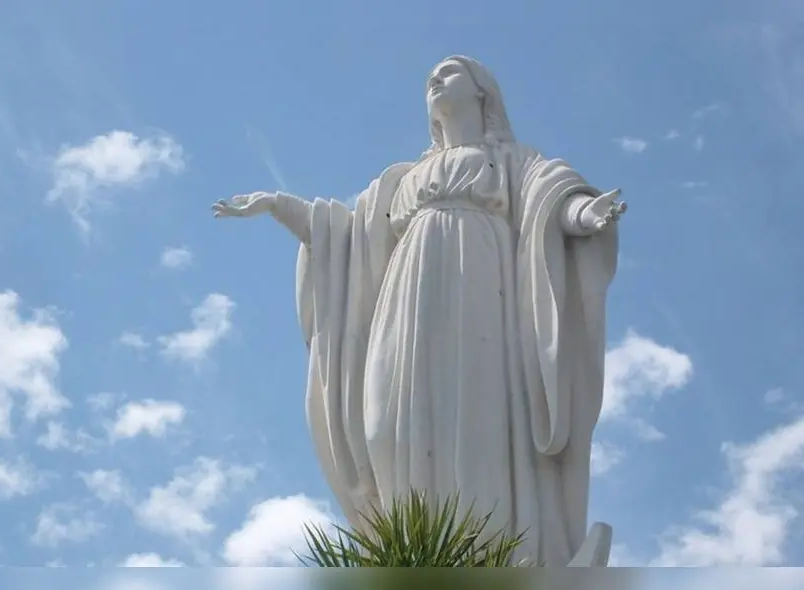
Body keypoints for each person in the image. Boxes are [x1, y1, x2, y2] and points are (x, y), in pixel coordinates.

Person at [212, 55, 625, 566]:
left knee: (477, 413)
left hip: (482, 285)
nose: (435, 80)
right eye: (431, 77)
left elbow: (552, 198)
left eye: (449, 72)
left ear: (483, 93)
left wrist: (586, 213)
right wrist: (278, 205)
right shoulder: (402, 179)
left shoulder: (516, 160)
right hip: (405, 294)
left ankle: (493, 553)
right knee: (386, 422)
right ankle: (411, 549)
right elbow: (346, 238)